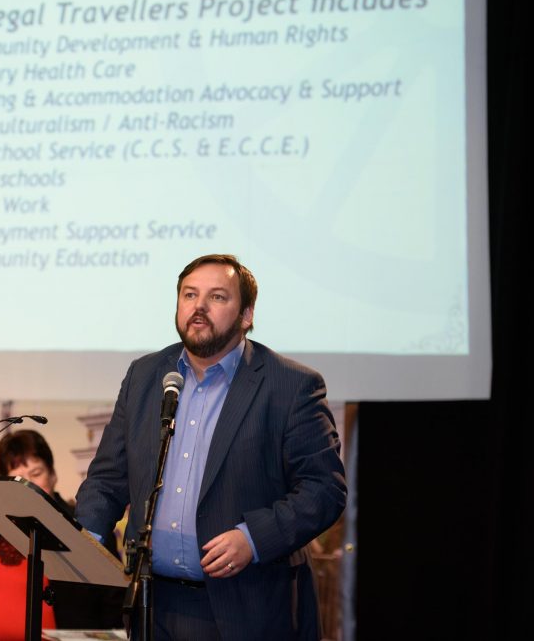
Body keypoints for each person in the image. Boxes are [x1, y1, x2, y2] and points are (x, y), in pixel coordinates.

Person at [75, 254, 348, 640]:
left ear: (247, 315)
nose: (199, 307)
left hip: (248, 609)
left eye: (217, 297)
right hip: (155, 607)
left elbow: (324, 490)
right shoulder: (145, 376)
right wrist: (87, 538)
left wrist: (254, 539)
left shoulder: (290, 386)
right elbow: (107, 478)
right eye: (189, 295)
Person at [0, 431, 122, 641]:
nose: (28, 487)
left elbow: (114, 606)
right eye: (17, 479)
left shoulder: (84, 527)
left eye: (36, 474)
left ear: (53, 475)